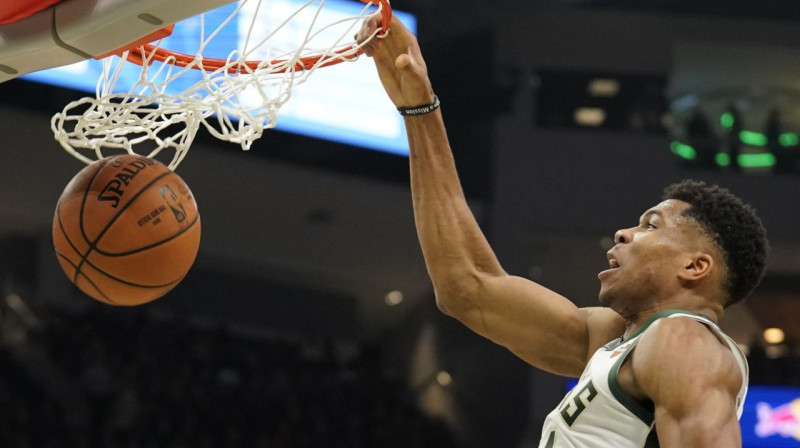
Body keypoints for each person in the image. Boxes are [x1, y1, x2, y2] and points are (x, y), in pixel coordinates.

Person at [357, 13, 769, 448]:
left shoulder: (684, 341)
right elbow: (468, 287)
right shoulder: (615, 341)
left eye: (651, 224)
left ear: (695, 265)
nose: (623, 235)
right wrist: (420, 109)